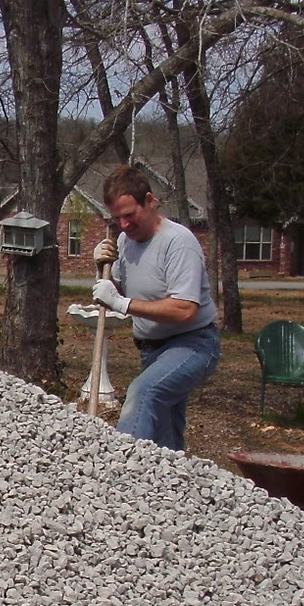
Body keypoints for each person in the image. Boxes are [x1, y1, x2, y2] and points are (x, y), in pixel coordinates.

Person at [91, 165, 221, 453]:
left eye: (129, 215)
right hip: (152, 350)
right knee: (166, 441)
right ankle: (175, 490)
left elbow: (185, 309)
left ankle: (117, 471)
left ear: (150, 202)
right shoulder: (125, 241)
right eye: (116, 218)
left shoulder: (178, 242)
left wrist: (122, 305)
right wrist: (102, 271)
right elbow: (119, 291)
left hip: (194, 343)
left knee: (143, 393)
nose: (123, 225)